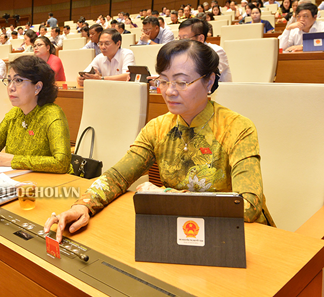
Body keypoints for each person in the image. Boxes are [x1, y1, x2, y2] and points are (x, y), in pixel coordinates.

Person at [45, 39, 275, 242]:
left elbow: (248, 205)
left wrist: (167, 195)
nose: (169, 91)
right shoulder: (158, 127)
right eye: (164, 81)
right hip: (178, 230)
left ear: (209, 81)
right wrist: (83, 205)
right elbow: (117, 177)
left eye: (182, 82)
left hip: (234, 237)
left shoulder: (237, 127)